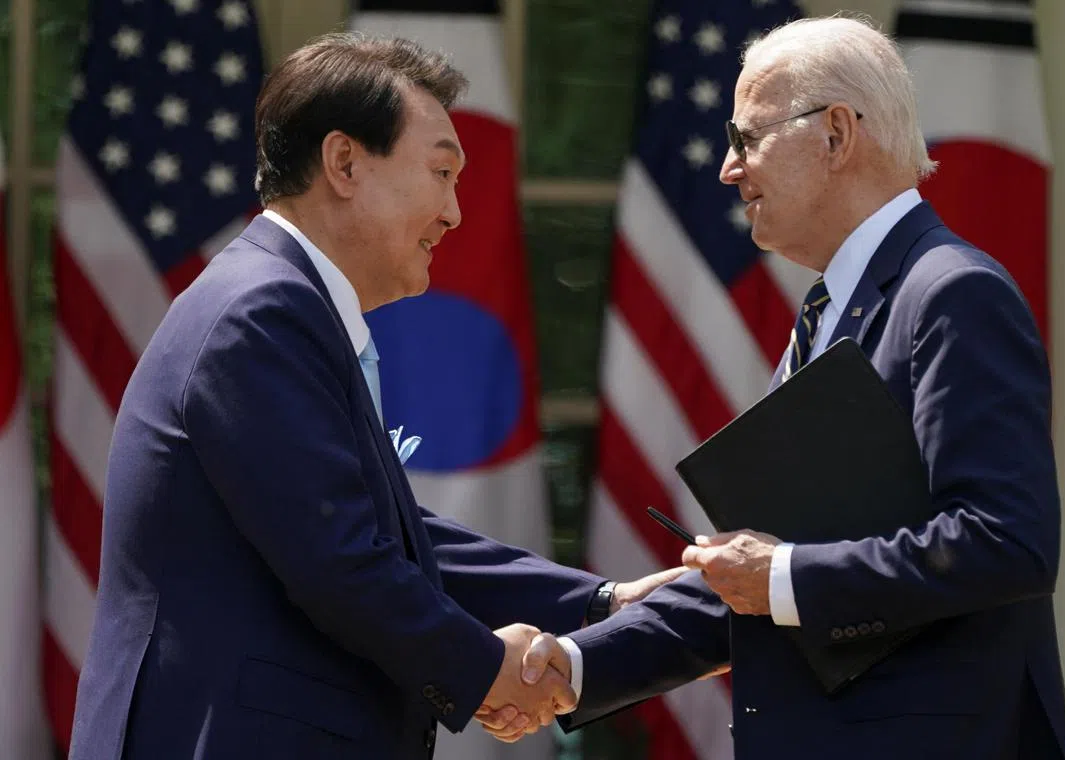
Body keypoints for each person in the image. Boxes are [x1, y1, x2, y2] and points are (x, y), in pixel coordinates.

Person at [67, 33, 683, 760]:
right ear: (344, 162)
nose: (455, 212)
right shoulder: (260, 313)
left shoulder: (281, 302)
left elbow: (388, 535)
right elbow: (342, 560)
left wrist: (597, 603)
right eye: (441, 173)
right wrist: (490, 671)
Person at [479, 16, 1065, 759]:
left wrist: (782, 574)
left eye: (747, 138)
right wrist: (577, 665)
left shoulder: (952, 292)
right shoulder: (828, 313)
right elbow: (760, 571)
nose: (730, 169)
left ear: (835, 135)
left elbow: (1005, 541)